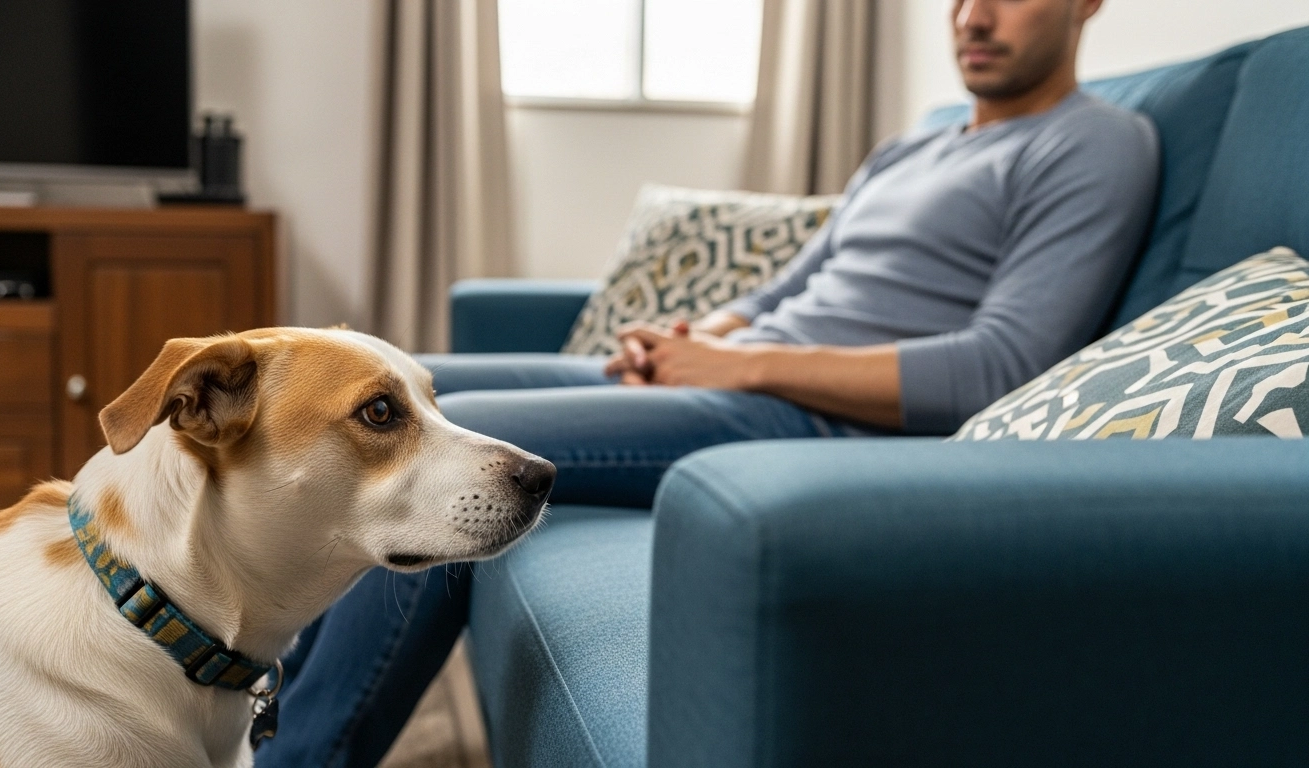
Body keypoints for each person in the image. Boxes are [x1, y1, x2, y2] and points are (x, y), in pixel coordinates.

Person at [256, 0, 1160, 763]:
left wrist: (738, 363)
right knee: (408, 383)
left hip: (813, 419)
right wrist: (699, 334)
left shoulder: (1096, 144)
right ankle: (257, 706)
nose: (973, 14)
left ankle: (304, 756)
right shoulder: (914, 145)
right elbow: (796, 282)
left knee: (452, 444)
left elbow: (997, 366)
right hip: (737, 373)